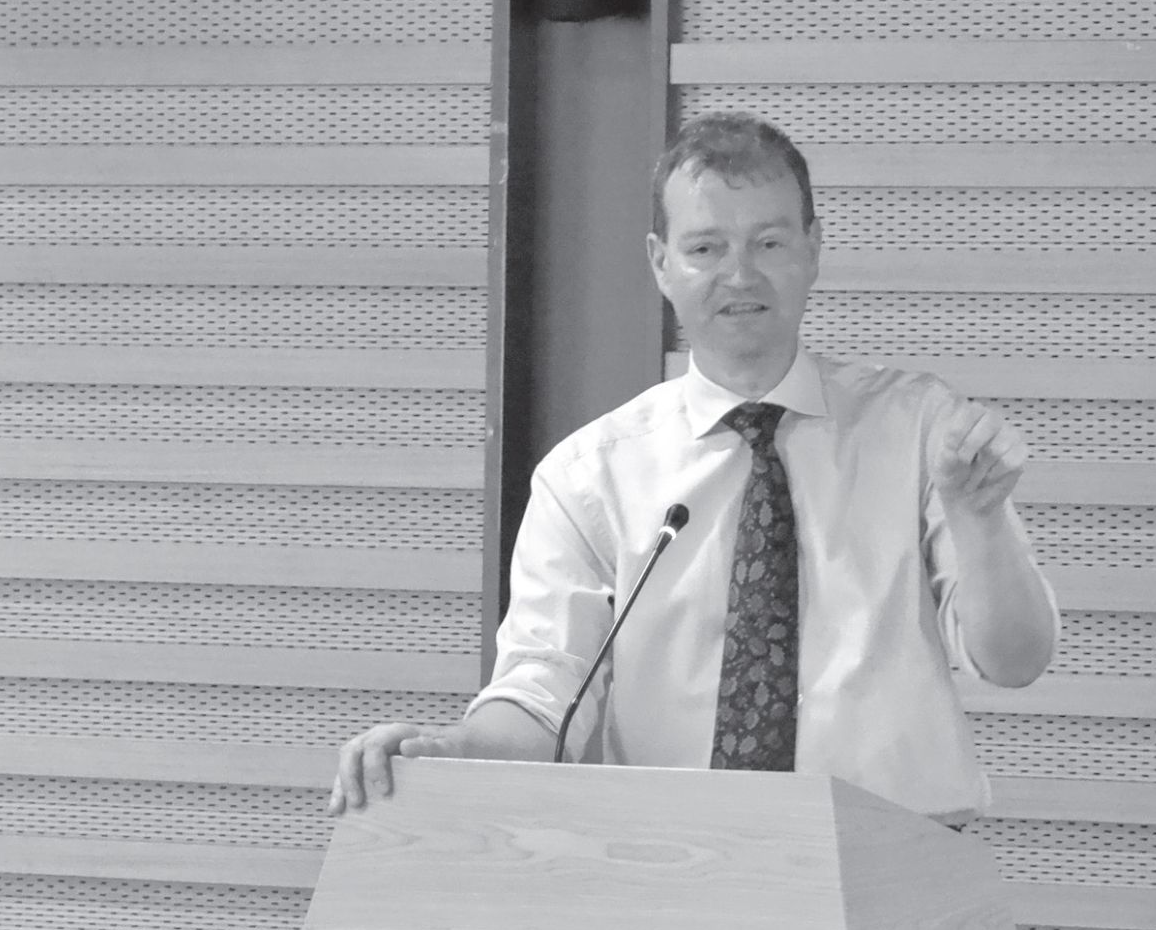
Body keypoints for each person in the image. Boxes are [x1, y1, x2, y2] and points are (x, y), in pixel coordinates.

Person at [330, 109, 1058, 825]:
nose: (739, 275)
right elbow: (545, 693)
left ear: (812, 250)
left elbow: (1015, 661)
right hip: (679, 862)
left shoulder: (920, 429)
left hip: (896, 860)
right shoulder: (590, 476)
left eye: (769, 242)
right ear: (660, 263)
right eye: (706, 248)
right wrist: (453, 751)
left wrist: (980, 520)